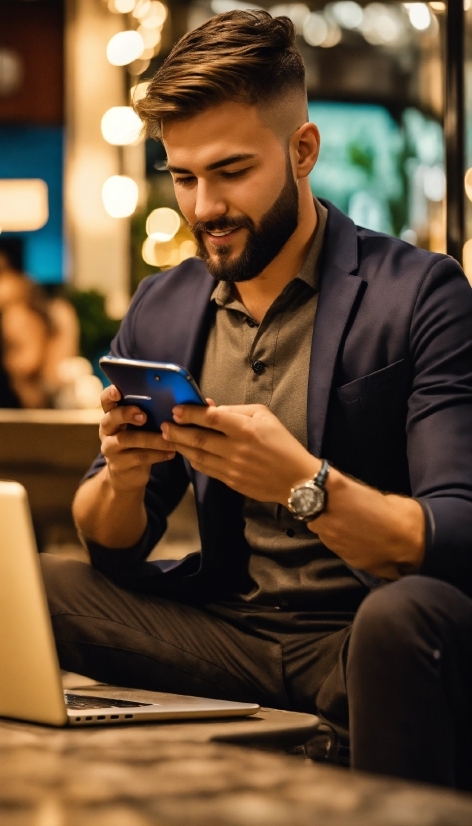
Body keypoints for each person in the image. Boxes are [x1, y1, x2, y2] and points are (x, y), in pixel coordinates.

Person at [40, 11, 472, 788]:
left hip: (360, 636)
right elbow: (112, 543)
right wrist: (125, 477)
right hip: (230, 635)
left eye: (232, 171)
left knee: (399, 622)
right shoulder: (164, 307)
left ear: (302, 150)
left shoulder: (421, 295)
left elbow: (453, 535)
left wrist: (303, 486)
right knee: (43, 585)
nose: (204, 207)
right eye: (183, 176)